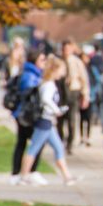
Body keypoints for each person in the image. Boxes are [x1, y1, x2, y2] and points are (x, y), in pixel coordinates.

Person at [19, 56, 77, 186]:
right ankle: (24, 176)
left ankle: (67, 176)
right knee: (33, 149)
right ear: (55, 69)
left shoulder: (47, 83)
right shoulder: (48, 84)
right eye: (62, 70)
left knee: (58, 147)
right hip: (44, 121)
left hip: (48, 122)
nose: (63, 73)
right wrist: (56, 110)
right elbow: (46, 99)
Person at [10, 50, 48, 186]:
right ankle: (24, 172)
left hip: (25, 114)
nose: (45, 63)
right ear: (35, 60)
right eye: (42, 60)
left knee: (27, 143)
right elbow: (29, 94)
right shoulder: (31, 75)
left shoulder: (33, 73)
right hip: (26, 115)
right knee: (30, 143)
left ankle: (23, 173)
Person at [58, 39, 90, 154]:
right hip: (61, 94)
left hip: (73, 92)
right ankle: (60, 142)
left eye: (68, 48)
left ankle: (70, 144)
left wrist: (85, 95)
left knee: (72, 120)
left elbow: (84, 79)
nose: (66, 51)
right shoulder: (59, 61)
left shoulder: (76, 62)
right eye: (64, 48)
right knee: (60, 121)